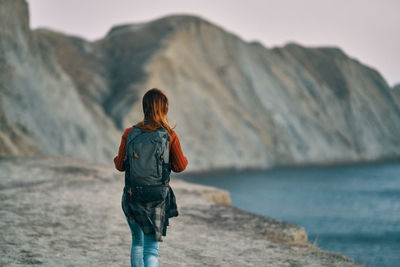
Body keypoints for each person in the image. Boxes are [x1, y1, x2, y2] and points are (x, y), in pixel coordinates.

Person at [113, 88, 188, 267]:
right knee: (151, 251)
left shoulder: (129, 133)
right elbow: (180, 166)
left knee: (137, 243)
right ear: (164, 109)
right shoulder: (169, 134)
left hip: (132, 196)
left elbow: (119, 166)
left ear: (144, 107)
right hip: (156, 199)